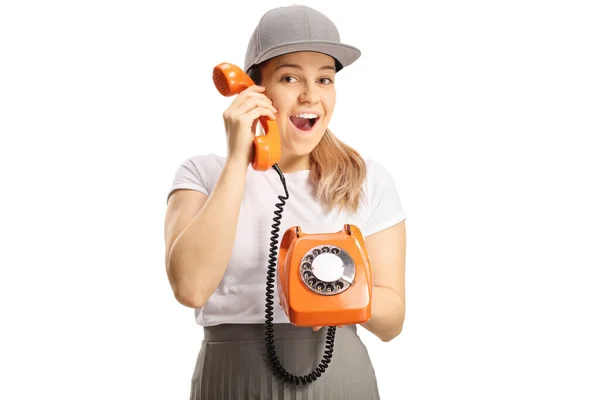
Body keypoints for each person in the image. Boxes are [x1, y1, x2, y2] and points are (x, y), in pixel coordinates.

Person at [164, 5, 407, 399]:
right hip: (230, 378)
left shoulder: (367, 178)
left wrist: (338, 290)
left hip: (338, 375)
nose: (311, 95)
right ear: (252, 88)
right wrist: (238, 161)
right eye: (290, 77)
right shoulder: (200, 174)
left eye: (324, 79)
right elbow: (190, 288)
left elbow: (392, 321)